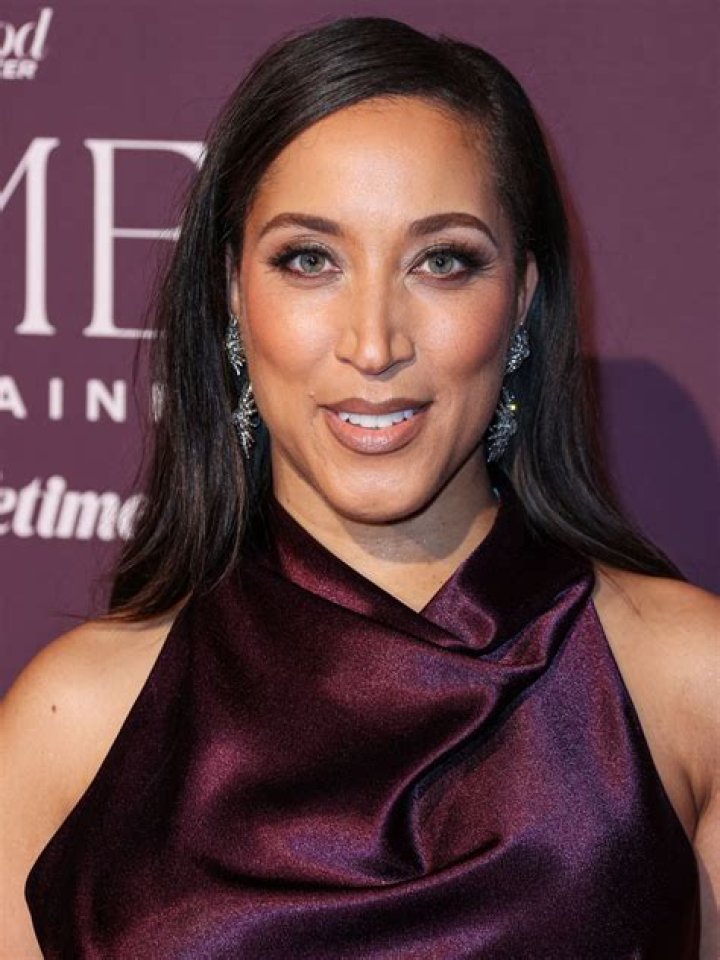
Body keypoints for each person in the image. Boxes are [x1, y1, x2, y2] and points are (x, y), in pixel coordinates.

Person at [1, 15, 717, 959]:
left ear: (522, 299)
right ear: (232, 293)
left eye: (442, 261)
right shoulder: (74, 724)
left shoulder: (688, 684)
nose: (373, 344)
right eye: (310, 260)